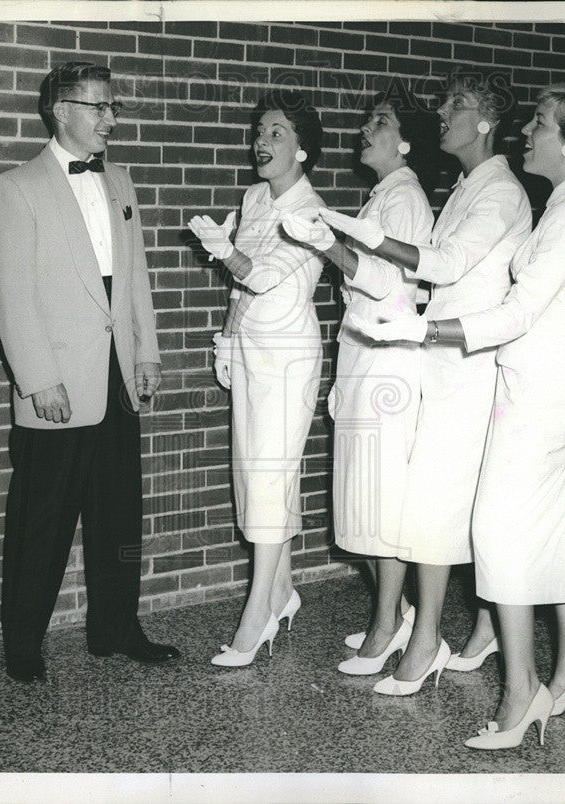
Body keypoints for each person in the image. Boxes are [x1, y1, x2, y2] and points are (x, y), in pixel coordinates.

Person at [353, 82, 565, 748]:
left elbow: (516, 314)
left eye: (537, 125)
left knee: (500, 531)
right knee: (557, 526)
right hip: (558, 379)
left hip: (541, 388)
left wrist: (418, 333)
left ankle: (522, 691)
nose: (525, 134)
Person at [299, 73, 532, 692]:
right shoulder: (468, 186)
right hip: (439, 363)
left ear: (484, 121)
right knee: (430, 511)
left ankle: (423, 636)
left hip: (468, 367)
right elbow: (431, 280)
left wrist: (361, 236)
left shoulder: (500, 190)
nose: (441, 119)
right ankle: (445, 631)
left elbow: (445, 266)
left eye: (454, 108)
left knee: (434, 510)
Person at [0, 62, 179, 682]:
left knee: (120, 514)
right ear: (58, 110)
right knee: (41, 523)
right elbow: (9, 293)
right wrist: (37, 378)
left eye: (112, 107)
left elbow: (137, 280)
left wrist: (146, 353)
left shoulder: (120, 181)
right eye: (98, 107)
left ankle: (116, 628)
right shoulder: (16, 187)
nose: (110, 120)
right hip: (57, 385)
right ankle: (22, 645)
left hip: (117, 377)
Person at [281, 80, 435, 675]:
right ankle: (392, 616)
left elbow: (391, 284)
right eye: (367, 120)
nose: (365, 130)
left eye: (380, 122)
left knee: (380, 502)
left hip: (388, 360)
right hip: (365, 356)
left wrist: (329, 247)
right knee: (362, 501)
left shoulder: (405, 200)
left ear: (406, 144)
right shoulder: (383, 197)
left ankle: (389, 624)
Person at [187, 90, 325, 666]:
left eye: (276, 133)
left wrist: (223, 254)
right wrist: (225, 336)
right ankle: (283, 590)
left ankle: (258, 614)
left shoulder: (310, 211)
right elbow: (241, 290)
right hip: (248, 348)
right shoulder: (252, 198)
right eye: (259, 131)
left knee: (268, 476)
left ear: (303, 150)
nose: (261, 142)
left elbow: (263, 276)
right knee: (257, 473)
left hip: (287, 359)